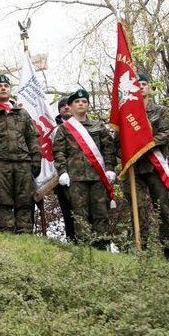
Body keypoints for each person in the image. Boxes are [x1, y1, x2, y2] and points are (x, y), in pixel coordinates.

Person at [52, 88, 119, 249]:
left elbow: (108, 149)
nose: (81, 104)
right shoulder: (64, 129)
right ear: (70, 106)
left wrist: (110, 168)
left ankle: (102, 248)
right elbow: (59, 152)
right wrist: (62, 172)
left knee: (100, 213)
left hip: (98, 178)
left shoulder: (98, 126)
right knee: (80, 215)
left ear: (88, 105)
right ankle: (84, 249)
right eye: (77, 102)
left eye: (84, 101)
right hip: (76, 179)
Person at [0, 75, 42, 234]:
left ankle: (25, 234)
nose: (3, 88)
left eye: (6, 85)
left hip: (23, 164)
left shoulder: (23, 113)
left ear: (11, 90)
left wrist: (36, 159)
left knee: (25, 200)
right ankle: (5, 235)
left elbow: (32, 138)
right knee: (3, 202)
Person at [127, 73, 169, 258]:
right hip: (135, 169)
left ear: (149, 87)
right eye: (137, 84)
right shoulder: (127, 113)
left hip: (155, 166)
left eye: (144, 83)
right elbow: (119, 143)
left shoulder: (161, 111)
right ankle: (142, 248)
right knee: (138, 209)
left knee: (164, 207)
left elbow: (166, 133)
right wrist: (129, 152)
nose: (141, 86)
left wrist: (145, 146)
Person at [52, 96, 76, 241]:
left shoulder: (86, 125)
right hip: (61, 176)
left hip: (84, 175)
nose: (66, 107)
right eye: (62, 106)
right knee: (67, 211)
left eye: (68, 105)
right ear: (59, 110)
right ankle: (71, 240)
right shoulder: (53, 129)